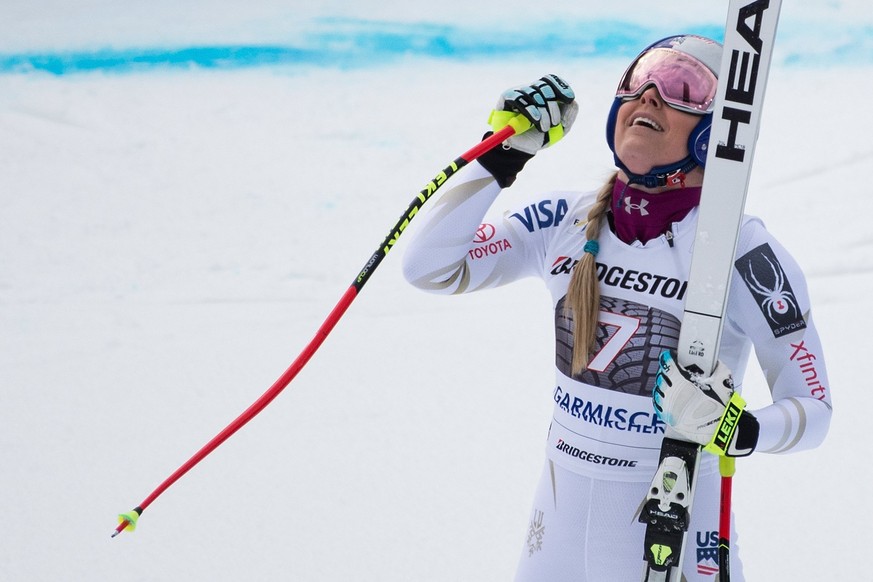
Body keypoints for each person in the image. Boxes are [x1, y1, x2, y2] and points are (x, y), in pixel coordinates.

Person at [401, 34, 832, 581]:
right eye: (638, 80)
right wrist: (501, 155)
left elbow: (813, 410)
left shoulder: (745, 254)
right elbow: (430, 267)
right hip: (555, 529)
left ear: (716, 133)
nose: (649, 96)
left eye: (682, 86)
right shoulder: (563, 220)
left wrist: (737, 430)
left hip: (672, 531)